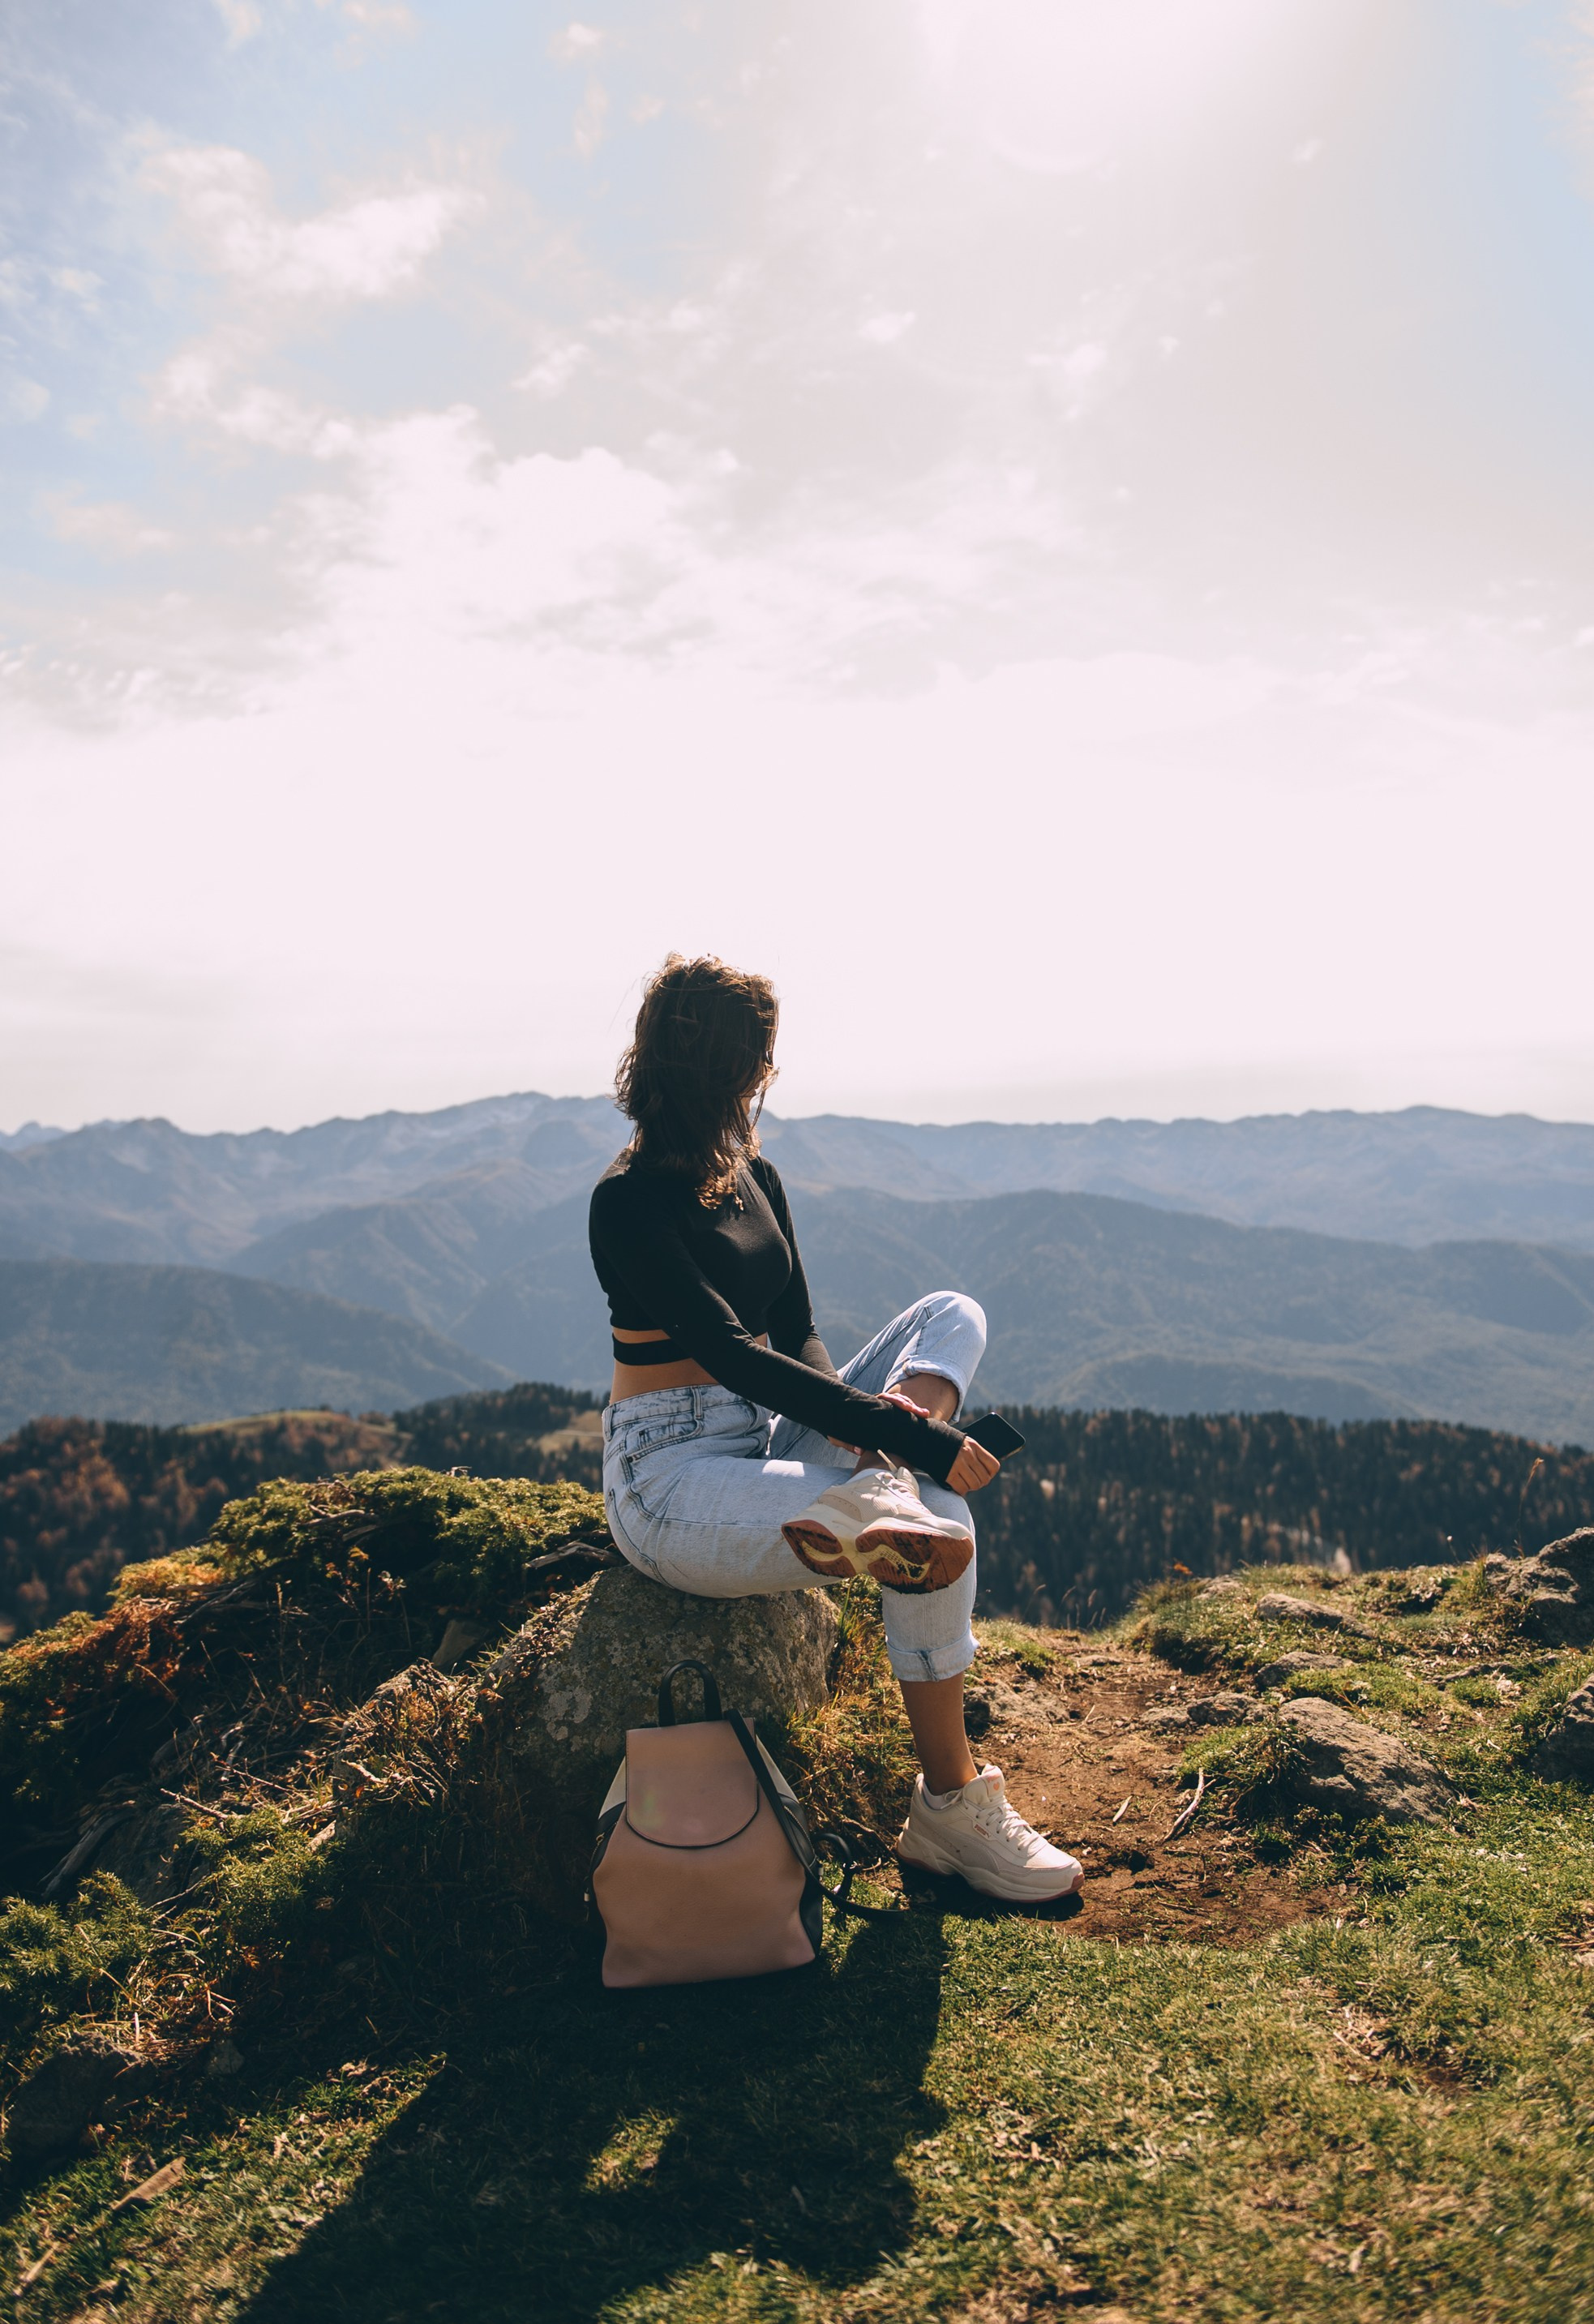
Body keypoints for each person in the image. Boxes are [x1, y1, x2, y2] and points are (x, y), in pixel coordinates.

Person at [589, 954, 1084, 1905]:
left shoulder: (755, 1176)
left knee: (952, 1309)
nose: (764, 1077)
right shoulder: (627, 1201)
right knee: (935, 1516)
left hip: (771, 1428)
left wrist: (877, 1428)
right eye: (756, 1059)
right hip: (671, 1475)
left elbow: (798, 1333)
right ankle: (950, 1801)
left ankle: (878, 1479)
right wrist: (926, 1446)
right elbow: (729, 1351)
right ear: (722, 1069)